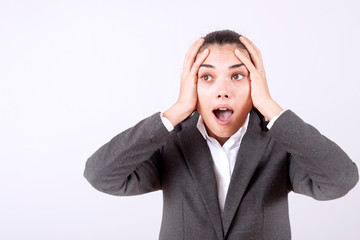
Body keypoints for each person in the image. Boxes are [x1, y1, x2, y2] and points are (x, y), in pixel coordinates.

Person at [84, 30, 358, 240]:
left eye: (238, 76)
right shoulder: (171, 141)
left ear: (256, 84)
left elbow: (340, 180)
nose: (222, 91)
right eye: (207, 77)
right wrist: (177, 110)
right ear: (191, 85)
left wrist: (270, 107)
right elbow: (100, 175)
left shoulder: (280, 142)